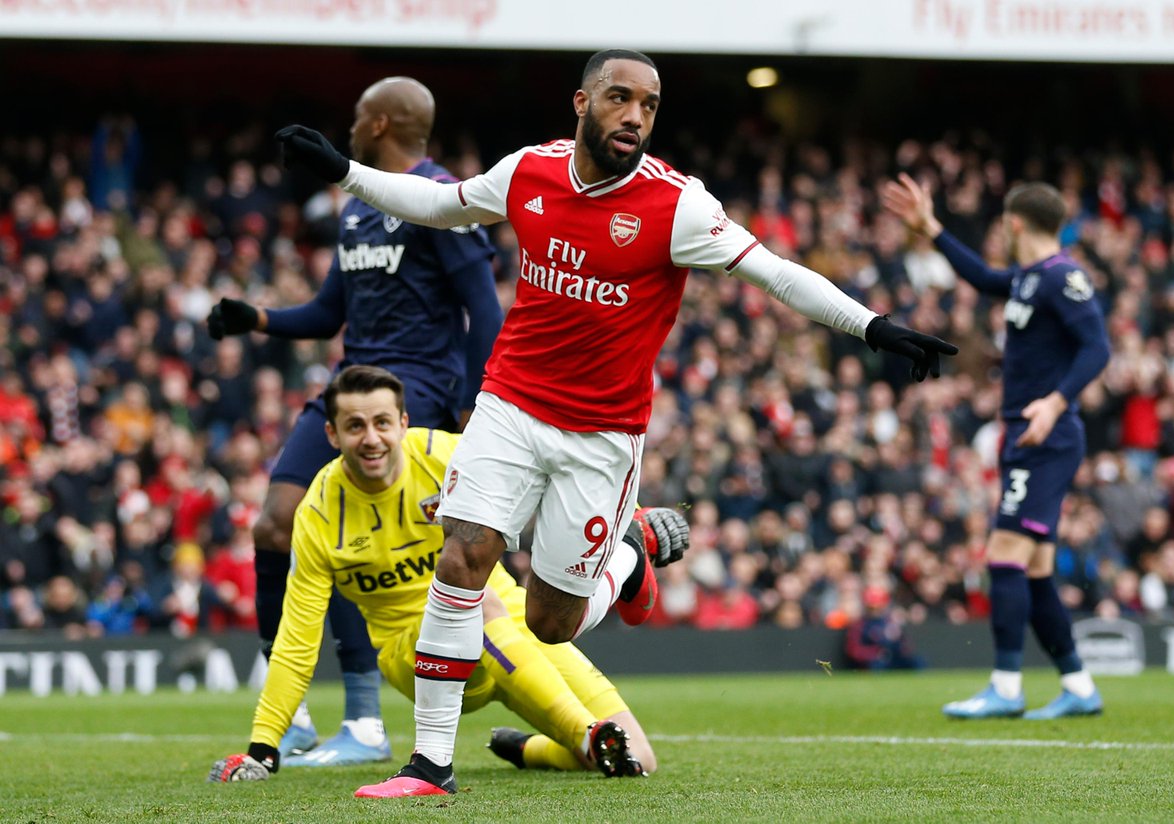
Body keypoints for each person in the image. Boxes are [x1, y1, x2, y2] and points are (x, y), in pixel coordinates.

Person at [275, 48, 957, 796]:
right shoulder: (530, 171)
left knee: (549, 625)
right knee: (461, 561)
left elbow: (776, 273)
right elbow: (440, 205)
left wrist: (874, 326)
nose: (635, 115)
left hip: (600, 436)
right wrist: (345, 170)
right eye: (620, 98)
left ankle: (629, 554)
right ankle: (430, 765)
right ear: (582, 103)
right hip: (510, 402)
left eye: (649, 104)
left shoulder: (677, 206)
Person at [206, 77, 503, 766]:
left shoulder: (440, 199)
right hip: (348, 388)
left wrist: (477, 412)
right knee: (275, 522)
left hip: (418, 393)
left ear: (379, 125)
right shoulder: (356, 207)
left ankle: (366, 721)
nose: (346, 127)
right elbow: (327, 313)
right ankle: (297, 715)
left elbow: (484, 311)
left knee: (346, 536)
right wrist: (256, 319)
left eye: (355, 118)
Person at [207, 366, 687, 790]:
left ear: (403, 424)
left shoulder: (444, 455)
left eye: (381, 423)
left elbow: (555, 478)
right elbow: (297, 640)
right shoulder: (318, 513)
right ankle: (585, 732)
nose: (370, 438)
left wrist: (634, 516)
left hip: (511, 621)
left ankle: (528, 749)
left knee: (638, 759)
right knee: (472, 597)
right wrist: (263, 747)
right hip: (413, 655)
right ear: (332, 435)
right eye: (355, 427)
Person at [883, 173, 1110, 719]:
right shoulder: (1030, 278)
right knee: (1032, 570)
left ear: (1013, 223)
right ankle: (1078, 685)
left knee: (1003, 555)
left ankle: (1006, 687)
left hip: (1046, 436)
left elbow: (1097, 348)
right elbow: (983, 277)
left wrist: (1056, 402)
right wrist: (931, 228)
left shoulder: (1064, 277)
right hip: (1027, 436)